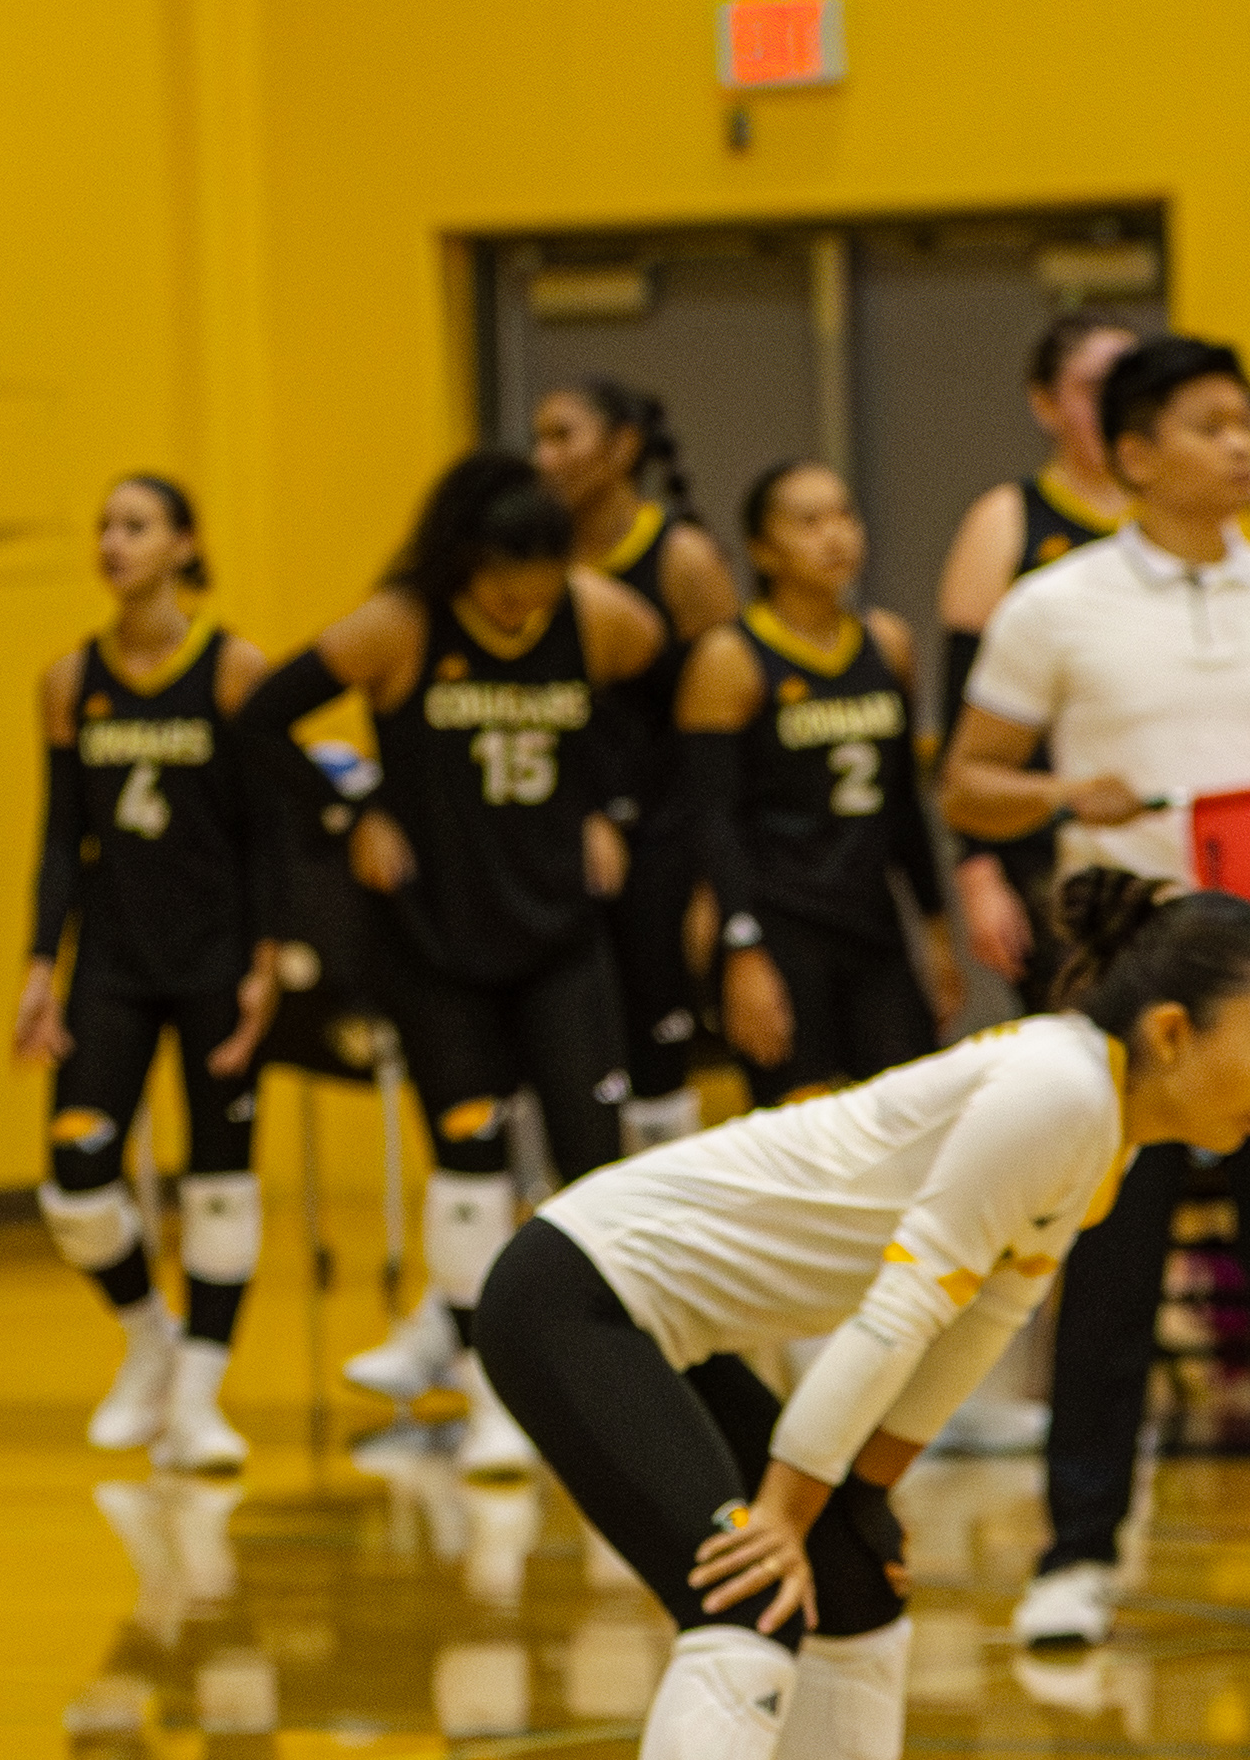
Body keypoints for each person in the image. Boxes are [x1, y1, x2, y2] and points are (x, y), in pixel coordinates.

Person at [485, 872, 1250, 1760]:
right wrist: (783, 1511)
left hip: (666, 1324)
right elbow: (892, 1316)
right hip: (577, 1296)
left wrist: (860, 1498)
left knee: (853, 1585)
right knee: (750, 1596)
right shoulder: (1056, 1089)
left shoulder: (1098, 1137)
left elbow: (977, 1328)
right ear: (1174, 1034)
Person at [943, 334, 1250, 1646]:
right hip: (1125, 977)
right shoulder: (1054, 605)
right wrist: (1057, 797)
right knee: (1108, 1264)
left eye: (1245, 423)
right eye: (1210, 425)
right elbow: (967, 783)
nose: (1241, 446)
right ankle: (1079, 1554)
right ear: (1135, 452)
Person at [247, 448, 665, 1481]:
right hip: (436, 941)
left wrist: (610, 808)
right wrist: (352, 812)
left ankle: (605, 1380)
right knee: (469, 1169)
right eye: (513, 574)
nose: (532, 596)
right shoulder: (399, 626)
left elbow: (667, 711)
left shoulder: (603, 618)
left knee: (592, 1161)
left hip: (560, 931)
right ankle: (491, 1390)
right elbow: (257, 717)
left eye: (548, 571)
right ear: (470, 559)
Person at [912, 308, 1147, 1464]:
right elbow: (965, 735)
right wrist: (979, 873)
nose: (1115, 405)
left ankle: (1121, 1370)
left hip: (1160, 868)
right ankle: (1013, 1367)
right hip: (1050, 870)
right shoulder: (1009, 522)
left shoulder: (1167, 524)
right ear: (1048, 403)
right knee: (1059, 1124)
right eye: (1095, 386)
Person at [17, 471, 283, 1474]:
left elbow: (270, 833)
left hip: (217, 958)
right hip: (114, 964)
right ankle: (148, 1338)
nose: (115, 543)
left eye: (137, 526)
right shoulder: (68, 678)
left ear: (183, 543)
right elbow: (60, 839)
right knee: (76, 1180)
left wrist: (269, 960)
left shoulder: (232, 668)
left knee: (220, 1184)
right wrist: (40, 964)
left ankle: (203, 1399)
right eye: (105, 526)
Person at [680, 459, 966, 1100]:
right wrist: (742, 953)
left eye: (844, 515)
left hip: (872, 922)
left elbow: (903, 807)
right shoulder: (730, 658)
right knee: (802, 1135)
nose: (835, 535)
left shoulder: (887, 642)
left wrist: (937, 931)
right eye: (808, 522)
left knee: (910, 1117)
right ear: (761, 549)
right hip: (780, 926)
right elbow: (712, 821)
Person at [529, 377, 745, 1149]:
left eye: (563, 436)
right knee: (574, 1046)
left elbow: (726, 721)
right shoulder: (532, 561)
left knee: (659, 1046)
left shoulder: (681, 559)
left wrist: (710, 880)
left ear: (622, 449)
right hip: (558, 833)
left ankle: (665, 1226)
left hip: (663, 832)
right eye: (538, 438)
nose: (543, 456)